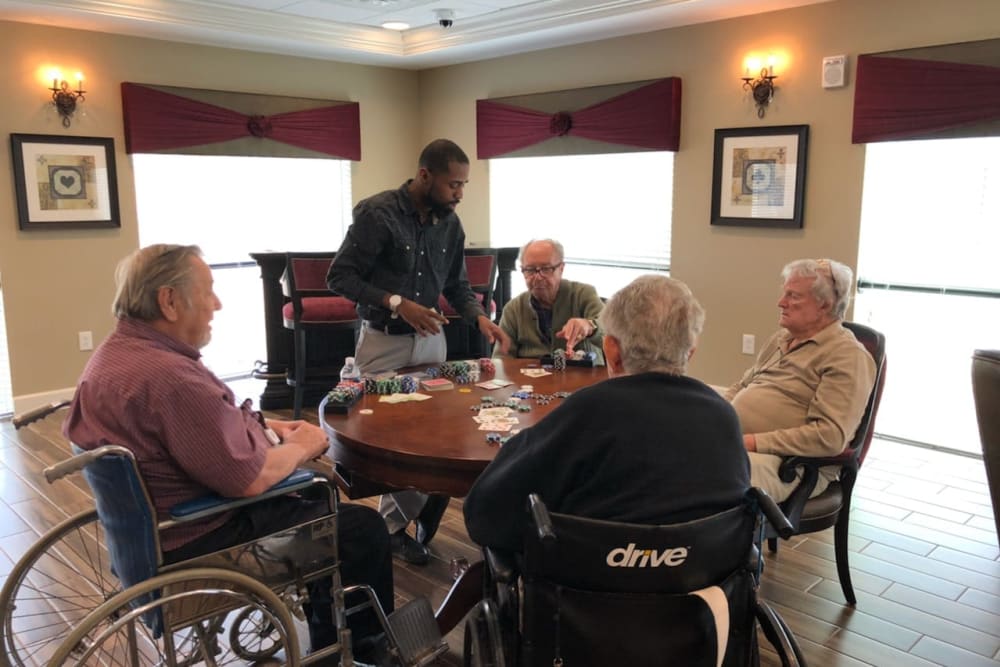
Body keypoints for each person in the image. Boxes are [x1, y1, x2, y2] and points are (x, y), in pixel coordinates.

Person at [63, 244, 393, 663]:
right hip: (198, 540)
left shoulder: (116, 357)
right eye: (208, 291)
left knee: (313, 499)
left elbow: (193, 428)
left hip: (146, 537)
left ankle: (326, 624)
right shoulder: (171, 379)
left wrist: (264, 426)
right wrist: (302, 446)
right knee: (359, 526)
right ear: (168, 300)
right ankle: (361, 649)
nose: (217, 304)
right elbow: (247, 479)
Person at [464, 275, 750, 553]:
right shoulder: (723, 415)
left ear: (611, 351)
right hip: (701, 582)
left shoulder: (586, 412)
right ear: (690, 353)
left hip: (586, 589)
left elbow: (485, 513)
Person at [327, 138, 511, 566]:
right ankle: (406, 515)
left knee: (434, 436)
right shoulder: (378, 213)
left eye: (464, 185)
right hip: (383, 341)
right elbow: (340, 277)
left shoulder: (451, 223)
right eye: (454, 185)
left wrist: (478, 317)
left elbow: (457, 286)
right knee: (390, 439)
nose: (460, 194)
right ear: (425, 175)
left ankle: (399, 522)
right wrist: (396, 302)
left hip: (432, 341)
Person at [723, 258, 876, 502]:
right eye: (784, 293)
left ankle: (708, 538)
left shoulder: (847, 356)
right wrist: (714, 418)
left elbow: (829, 436)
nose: (780, 302)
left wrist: (752, 442)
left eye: (793, 296)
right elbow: (742, 386)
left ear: (824, 304)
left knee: (709, 476)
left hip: (792, 465)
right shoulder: (781, 339)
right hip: (741, 443)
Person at [496, 239, 605, 364]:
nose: (537, 277)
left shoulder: (583, 294)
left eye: (546, 269)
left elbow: (613, 336)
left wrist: (590, 326)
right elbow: (501, 360)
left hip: (584, 379)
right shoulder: (513, 309)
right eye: (530, 270)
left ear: (561, 268)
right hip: (531, 381)